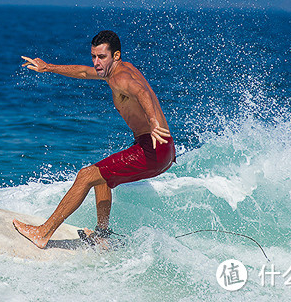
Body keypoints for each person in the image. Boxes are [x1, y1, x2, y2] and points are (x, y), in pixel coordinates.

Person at [13, 30, 175, 248]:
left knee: (86, 176)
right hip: (162, 148)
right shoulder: (119, 69)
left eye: (102, 57)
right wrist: (48, 67)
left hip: (153, 147)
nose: (96, 62)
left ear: (115, 55)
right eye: (94, 56)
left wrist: (154, 122)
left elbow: (142, 93)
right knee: (101, 176)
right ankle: (102, 234)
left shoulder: (121, 78)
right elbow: (82, 72)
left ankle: (43, 233)